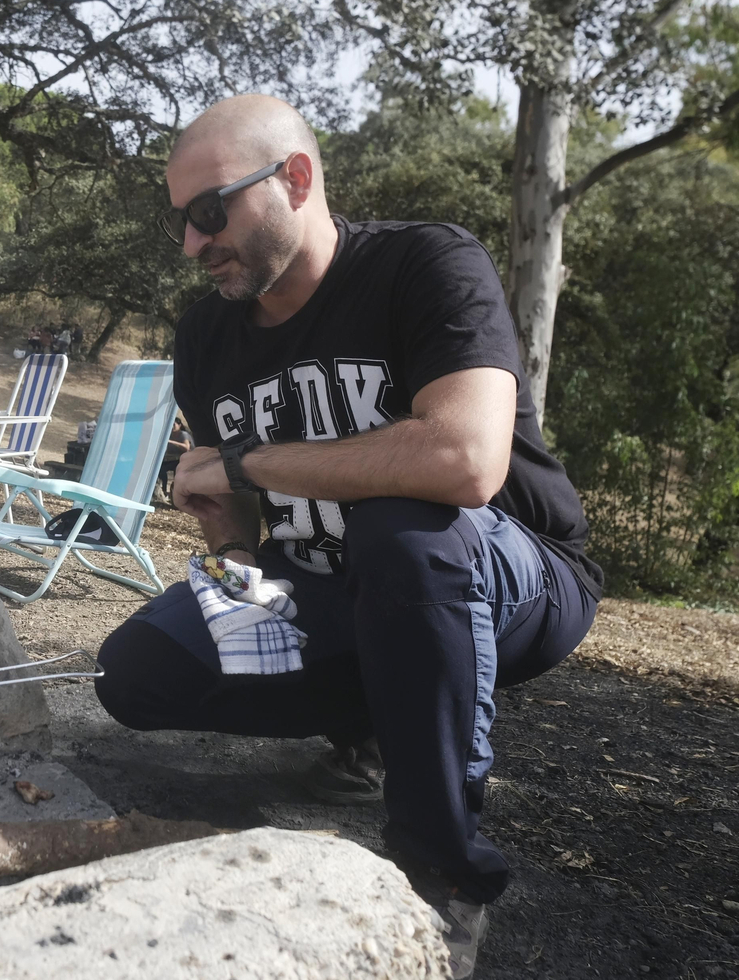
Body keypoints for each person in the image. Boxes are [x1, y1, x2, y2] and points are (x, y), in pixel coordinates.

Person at [93, 95, 601, 978]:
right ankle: (382, 713)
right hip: (327, 590)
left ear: (295, 178)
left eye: (210, 212)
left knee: (405, 529)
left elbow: (467, 458)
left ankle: (440, 875)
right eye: (180, 221)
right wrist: (229, 538)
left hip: (512, 573)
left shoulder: (425, 263)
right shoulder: (206, 331)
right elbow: (249, 524)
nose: (191, 243)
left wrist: (247, 462)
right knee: (132, 671)